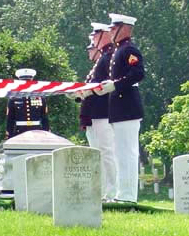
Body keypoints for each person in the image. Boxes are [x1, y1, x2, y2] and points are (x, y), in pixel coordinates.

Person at [94, 13, 144, 203]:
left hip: (128, 107)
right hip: (119, 108)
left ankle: (128, 195)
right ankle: (122, 193)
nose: (111, 31)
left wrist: (116, 85)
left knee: (128, 153)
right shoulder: (118, 51)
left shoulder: (129, 50)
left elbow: (138, 73)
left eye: (114, 28)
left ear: (124, 28)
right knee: (120, 153)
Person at [82, 23, 117, 202]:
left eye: (96, 35)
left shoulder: (109, 56)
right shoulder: (102, 58)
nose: (93, 39)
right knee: (100, 154)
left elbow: (104, 85)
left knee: (107, 152)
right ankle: (104, 190)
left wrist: (88, 91)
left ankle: (112, 191)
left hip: (104, 112)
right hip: (95, 113)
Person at [5, 68, 49, 139]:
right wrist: (9, 135)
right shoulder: (14, 97)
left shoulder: (40, 96)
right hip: (19, 132)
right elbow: (10, 119)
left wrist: (47, 133)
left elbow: (44, 117)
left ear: (32, 81)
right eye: (24, 81)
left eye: (28, 81)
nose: (26, 83)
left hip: (37, 132)